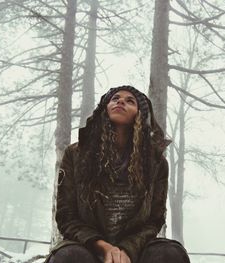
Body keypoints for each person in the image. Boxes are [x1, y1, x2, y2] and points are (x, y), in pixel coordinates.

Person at [46, 86, 190, 263]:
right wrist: (103, 247)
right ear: (104, 108)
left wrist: (127, 249)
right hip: (88, 247)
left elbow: (155, 219)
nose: (121, 101)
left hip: (137, 249)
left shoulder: (156, 162)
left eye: (130, 101)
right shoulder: (75, 154)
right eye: (115, 99)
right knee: (68, 257)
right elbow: (66, 216)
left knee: (170, 254)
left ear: (140, 114)